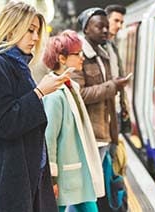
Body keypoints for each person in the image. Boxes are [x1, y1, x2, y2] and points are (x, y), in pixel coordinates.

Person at [0, 2, 70, 211]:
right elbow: (5, 123)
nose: (35, 38)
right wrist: (39, 92)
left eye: (36, 32)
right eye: (30, 30)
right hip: (6, 181)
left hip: (23, 176)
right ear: (11, 28)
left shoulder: (17, 65)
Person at [42, 30, 104, 212]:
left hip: (76, 170)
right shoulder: (54, 95)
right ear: (62, 58)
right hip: (65, 174)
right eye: (77, 54)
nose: (82, 58)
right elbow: (49, 137)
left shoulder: (71, 86)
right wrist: (52, 178)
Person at [73, 7, 129, 211]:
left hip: (104, 134)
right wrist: (113, 86)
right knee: (89, 191)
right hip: (90, 136)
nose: (106, 31)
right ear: (86, 29)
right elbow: (80, 94)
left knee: (101, 187)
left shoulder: (103, 54)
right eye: (100, 26)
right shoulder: (79, 56)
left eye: (107, 26)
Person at [105, 4, 130, 176]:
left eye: (121, 22)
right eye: (116, 20)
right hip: (106, 115)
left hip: (116, 111)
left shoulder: (112, 46)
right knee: (109, 161)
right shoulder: (101, 47)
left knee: (112, 160)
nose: (119, 25)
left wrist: (124, 104)